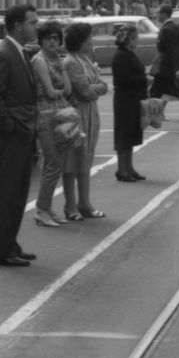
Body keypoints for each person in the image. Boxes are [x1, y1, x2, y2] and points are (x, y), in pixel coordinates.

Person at [0, 3, 39, 266]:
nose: (35, 27)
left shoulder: (21, 53)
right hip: (11, 136)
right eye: (32, 22)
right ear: (18, 25)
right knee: (7, 194)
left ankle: (10, 244)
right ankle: (1, 250)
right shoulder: (3, 54)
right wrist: (10, 126)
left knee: (18, 193)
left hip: (23, 134)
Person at [61, 22, 108, 220]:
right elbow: (86, 91)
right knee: (72, 160)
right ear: (80, 40)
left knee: (85, 159)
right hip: (76, 115)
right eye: (88, 37)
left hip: (89, 114)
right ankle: (70, 205)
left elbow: (103, 86)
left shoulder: (85, 59)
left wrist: (94, 88)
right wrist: (95, 87)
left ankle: (85, 203)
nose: (91, 40)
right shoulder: (71, 62)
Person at [31, 20, 73, 227]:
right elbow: (50, 91)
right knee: (52, 163)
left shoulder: (55, 59)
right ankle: (41, 209)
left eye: (57, 38)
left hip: (59, 114)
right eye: (49, 38)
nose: (53, 42)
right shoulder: (39, 60)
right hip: (45, 115)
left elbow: (67, 89)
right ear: (41, 40)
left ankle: (47, 208)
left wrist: (61, 65)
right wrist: (58, 90)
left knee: (55, 163)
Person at [111, 24, 149, 181]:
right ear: (128, 39)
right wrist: (145, 80)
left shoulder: (129, 54)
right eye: (135, 37)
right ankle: (122, 169)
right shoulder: (120, 56)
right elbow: (124, 80)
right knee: (124, 135)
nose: (137, 40)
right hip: (125, 100)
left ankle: (129, 167)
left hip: (134, 99)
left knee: (132, 133)